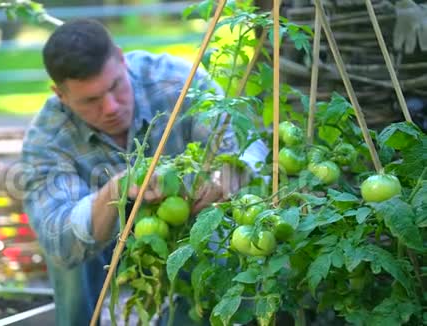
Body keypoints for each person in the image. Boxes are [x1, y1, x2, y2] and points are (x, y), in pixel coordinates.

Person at [21, 18, 267, 325]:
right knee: (69, 257)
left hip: (183, 226)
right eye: (91, 100)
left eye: (115, 86)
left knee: (216, 229)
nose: (111, 107)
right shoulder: (47, 137)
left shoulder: (176, 82)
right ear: (60, 94)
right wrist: (115, 192)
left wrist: (229, 173)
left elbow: (246, 146)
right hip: (102, 244)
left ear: (122, 59)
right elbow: (56, 236)